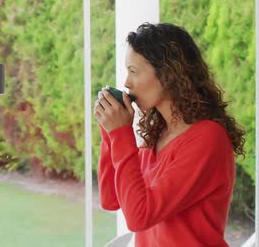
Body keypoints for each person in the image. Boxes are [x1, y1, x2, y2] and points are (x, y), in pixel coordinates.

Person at [94, 22, 245, 246]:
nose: (126, 82)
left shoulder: (208, 139)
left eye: (134, 71)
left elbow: (139, 216)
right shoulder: (157, 136)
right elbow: (111, 199)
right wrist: (109, 133)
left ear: (167, 75)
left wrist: (120, 134)